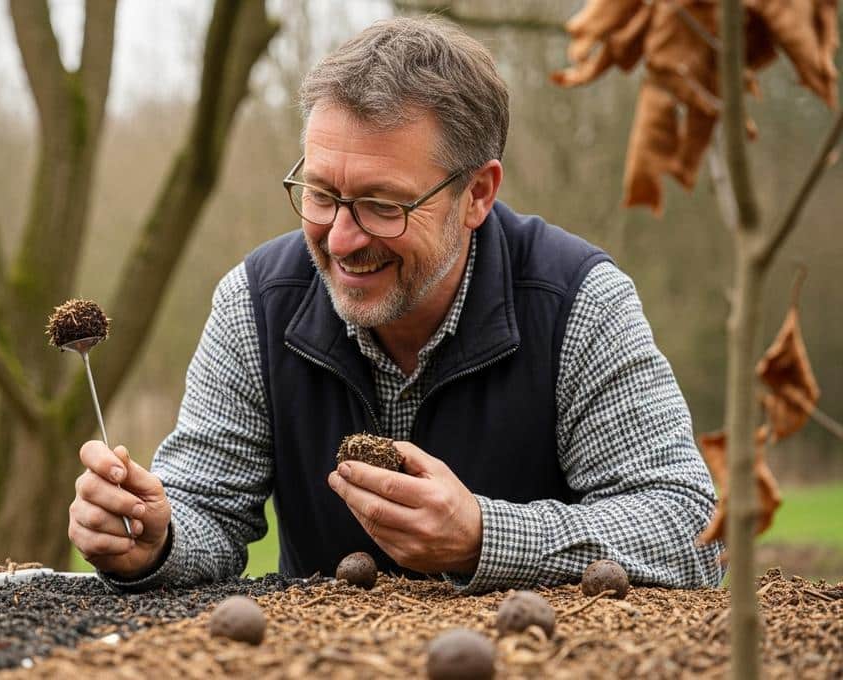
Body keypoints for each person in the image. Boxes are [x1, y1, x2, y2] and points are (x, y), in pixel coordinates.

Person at [68, 15, 724, 593]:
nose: (342, 239)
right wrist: (153, 540)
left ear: (477, 194)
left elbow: (690, 528)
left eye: (384, 205)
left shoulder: (578, 305)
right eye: (321, 195)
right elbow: (206, 514)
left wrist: (483, 536)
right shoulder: (256, 303)